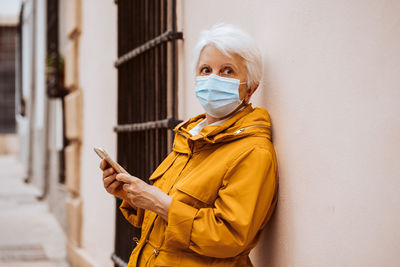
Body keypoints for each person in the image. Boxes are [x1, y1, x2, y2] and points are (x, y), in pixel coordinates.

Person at [100, 23, 279, 267]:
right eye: (205, 69)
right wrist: (131, 195)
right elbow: (167, 220)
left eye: (227, 71)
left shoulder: (253, 153)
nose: (213, 78)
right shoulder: (190, 138)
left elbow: (229, 237)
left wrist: (159, 202)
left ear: (250, 89)